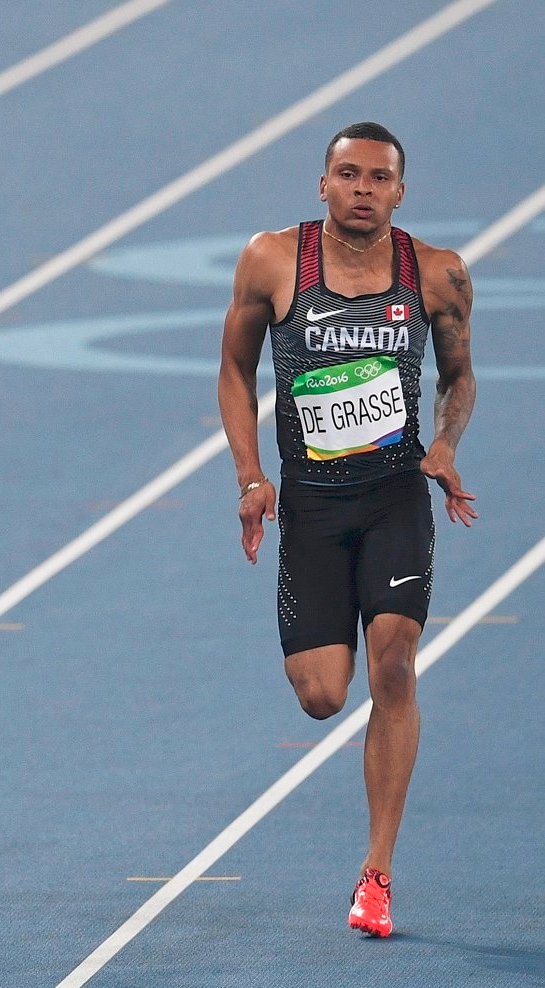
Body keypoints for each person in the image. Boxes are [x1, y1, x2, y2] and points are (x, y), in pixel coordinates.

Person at [218, 122, 476, 937]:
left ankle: (376, 873)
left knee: (392, 667)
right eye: (348, 174)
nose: (362, 189)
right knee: (323, 696)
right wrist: (250, 477)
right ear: (322, 184)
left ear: (399, 191)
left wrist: (443, 444)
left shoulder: (435, 273)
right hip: (312, 505)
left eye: (378, 178)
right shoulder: (271, 261)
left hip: (395, 496)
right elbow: (233, 368)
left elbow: (459, 377)